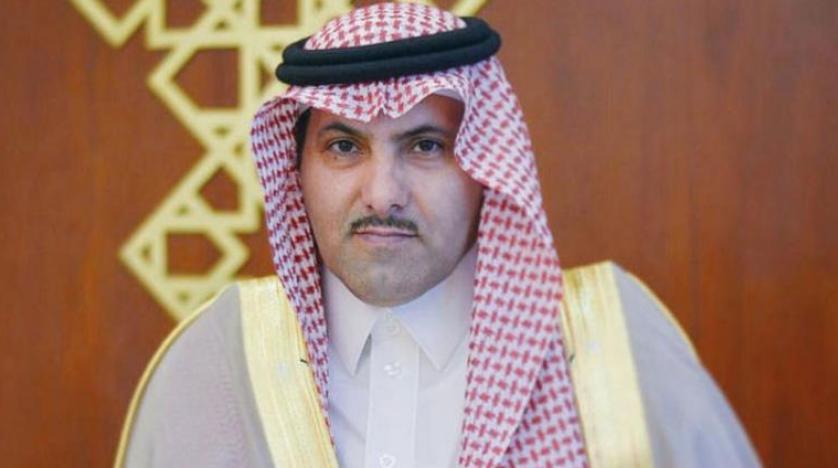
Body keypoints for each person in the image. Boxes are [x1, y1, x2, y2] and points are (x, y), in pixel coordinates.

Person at [115, 3, 760, 467]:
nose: (382, 193)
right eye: (344, 146)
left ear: (486, 167)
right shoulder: (213, 365)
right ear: (297, 171)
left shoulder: (603, 346)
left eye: (426, 146)